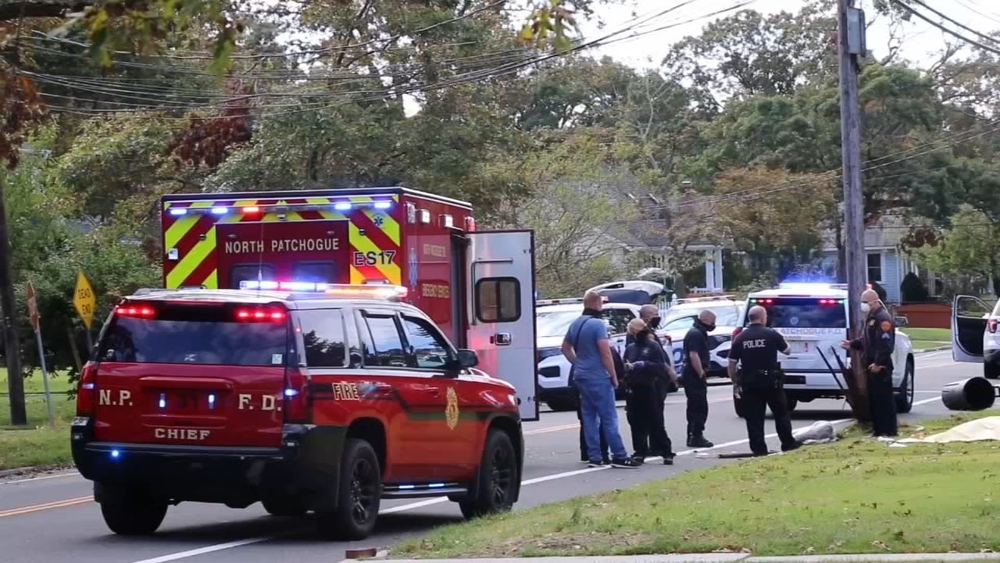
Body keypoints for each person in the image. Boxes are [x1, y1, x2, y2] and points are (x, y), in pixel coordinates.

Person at [561, 291, 640, 468]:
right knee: (609, 417)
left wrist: (578, 363)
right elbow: (605, 352)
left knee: (589, 417)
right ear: (597, 303)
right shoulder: (598, 324)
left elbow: (565, 348)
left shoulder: (576, 323)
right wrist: (613, 375)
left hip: (581, 375)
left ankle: (594, 456)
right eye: (601, 303)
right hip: (598, 376)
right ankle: (619, 455)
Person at [727, 305, 800, 456]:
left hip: (749, 382)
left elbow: (731, 363)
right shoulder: (771, 334)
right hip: (770, 381)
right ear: (762, 317)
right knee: (781, 414)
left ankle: (759, 449)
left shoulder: (740, 338)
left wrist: (735, 383)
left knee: (754, 418)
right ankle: (788, 443)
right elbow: (787, 350)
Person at [841, 289, 898, 437]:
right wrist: (851, 344)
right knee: (874, 399)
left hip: (880, 366)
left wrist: (878, 363)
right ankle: (878, 430)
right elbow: (867, 341)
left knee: (883, 399)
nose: (863, 305)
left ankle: (888, 430)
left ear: (874, 301)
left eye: (865, 302)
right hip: (870, 364)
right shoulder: (872, 318)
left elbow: (885, 345)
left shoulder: (883, 318)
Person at [623, 319, 675, 465]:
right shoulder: (631, 348)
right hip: (634, 388)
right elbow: (624, 363)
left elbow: (660, 366)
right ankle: (640, 451)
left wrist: (644, 365)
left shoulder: (653, 346)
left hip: (650, 387)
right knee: (636, 421)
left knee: (655, 421)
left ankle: (666, 451)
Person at [681, 310, 716, 448]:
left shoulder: (698, 332)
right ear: (706, 320)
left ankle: (692, 435)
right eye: (712, 321)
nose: (713, 324)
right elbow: (693, 355)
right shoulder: (696, 334)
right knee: (698, 406)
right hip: (693, 374)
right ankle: (696, 435)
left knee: (695, 405)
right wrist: (700, 372)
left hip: (692, 373)